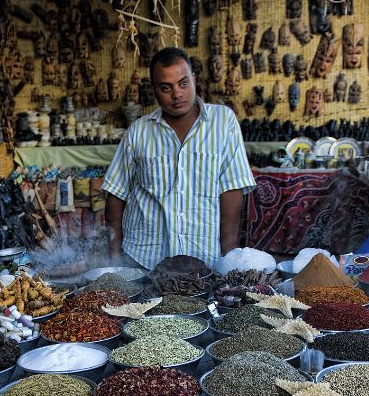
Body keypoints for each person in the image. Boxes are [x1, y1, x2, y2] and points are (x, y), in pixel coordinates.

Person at [101, 47, 256, 269]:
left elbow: (231, 190)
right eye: (166, 88)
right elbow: (116, 193)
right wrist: (114, 258)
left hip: (202, 258)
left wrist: (227, 260)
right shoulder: (138, 131)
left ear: (193, 79)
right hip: (144, 258)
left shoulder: (223, 122)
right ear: (154, 90)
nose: (177, 94)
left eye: (183, 83)